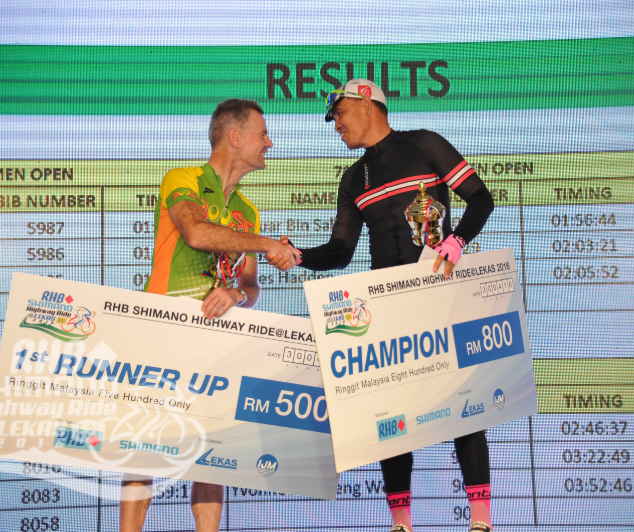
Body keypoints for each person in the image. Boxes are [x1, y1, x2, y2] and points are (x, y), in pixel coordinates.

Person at [267, 79, 495, 532]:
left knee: (466, 408)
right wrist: (300, 255)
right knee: (391, 418)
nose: (335, 125)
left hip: (439, 296)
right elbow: (341, 251)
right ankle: (401, 525)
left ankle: (481, 523)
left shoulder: (424, 145)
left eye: (339, 114)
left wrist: (456, 241)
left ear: (367, 103)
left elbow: (480, 198)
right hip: (387, 307)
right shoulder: (353, 178)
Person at [120, 99, 299, 532]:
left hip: (214, 345)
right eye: (262, 134)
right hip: (160, 332)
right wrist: (266, 244)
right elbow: (197, 233)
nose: (269, 143)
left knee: (212, 455)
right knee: (144, 450)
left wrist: (236, 293)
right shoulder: (183, 179)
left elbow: (251, 286)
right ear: (235, 137)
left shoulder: (248, 212)